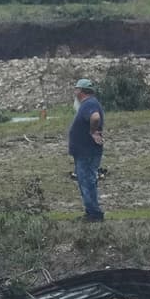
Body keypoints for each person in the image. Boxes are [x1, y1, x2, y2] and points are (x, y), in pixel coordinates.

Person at [68, 78, 105, 222]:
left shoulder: (89, 104)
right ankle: (91, 212)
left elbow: (95, 118)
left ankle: (94, 214)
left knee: (87, 181)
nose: (75, 92)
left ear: (81, 91)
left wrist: (93, 131)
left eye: (76, 89)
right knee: (88, 181)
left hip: (87, 152)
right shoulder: (89, 103)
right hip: (85, 151)